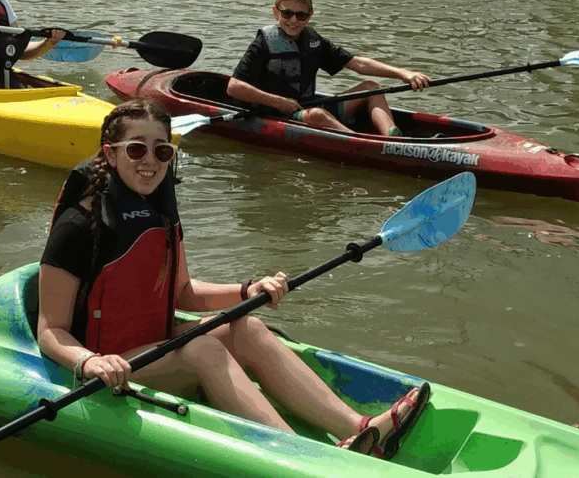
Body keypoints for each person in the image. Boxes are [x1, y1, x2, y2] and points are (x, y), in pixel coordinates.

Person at [38, 99, 430, 459]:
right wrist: (90, 362)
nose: (150, 161)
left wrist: (248, 290)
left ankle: (359, 430)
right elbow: (51, 330)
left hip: (156, 345)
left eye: (162, 150)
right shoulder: (78, 226)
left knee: (248, 326)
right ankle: (301, 456)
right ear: (110, 153)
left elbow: (183, 293)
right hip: (114, 364)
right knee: (203, 350)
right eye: (136, 149)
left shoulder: (160, 211)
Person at [226, 0, 432, 137]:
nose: (293, 21)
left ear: (310, 15)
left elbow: (358, 64)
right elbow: (233, 87)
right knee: (317, 115)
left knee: (372, 87)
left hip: (308, 108)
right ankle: (360, 143)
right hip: (276, 114)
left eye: (301, 15)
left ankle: (393, 140)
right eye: (287, 13)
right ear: (275, 12)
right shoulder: (263, 43)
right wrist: (278, 102)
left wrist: (403, 73)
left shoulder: (315, 41)